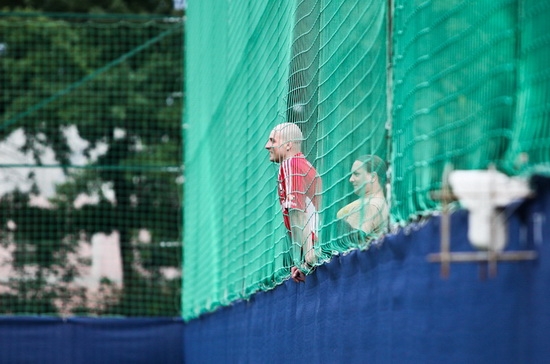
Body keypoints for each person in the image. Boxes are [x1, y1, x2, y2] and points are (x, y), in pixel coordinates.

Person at [265, 122, 321, 283]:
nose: (267, 146)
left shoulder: (291, 164)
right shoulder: (300, 164)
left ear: (288, 145)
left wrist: (309, 254)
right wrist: (303, 261)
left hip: (318, 247)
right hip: (318, 247)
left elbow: (298, 212)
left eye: (272, 141)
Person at [337, 155, 389, 243]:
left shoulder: (370, 205)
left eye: (356, 174)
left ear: (373, 177)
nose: (351, 179)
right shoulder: (379, 202)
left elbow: (351, 239)